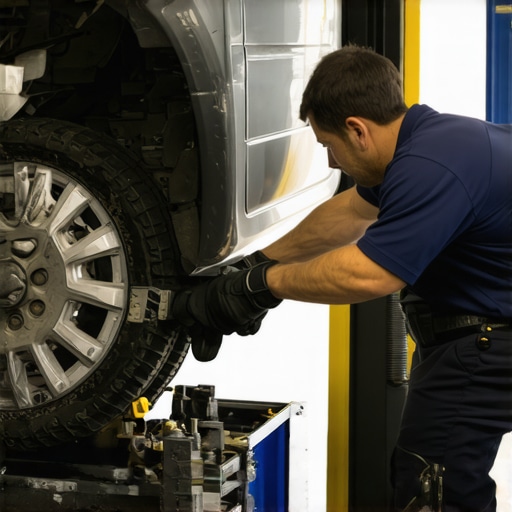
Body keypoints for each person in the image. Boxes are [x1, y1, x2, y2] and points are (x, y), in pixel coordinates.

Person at [171, 45, 512, 510]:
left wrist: (262, 286)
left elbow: (370, 274)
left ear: (357, 130)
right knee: (430, 475)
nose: (332, 162)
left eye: (328, 145)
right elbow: (351, 212)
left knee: (434, 486)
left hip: (488, 343)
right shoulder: (429, 141)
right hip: (477, 337)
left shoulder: (432, 166)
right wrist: (252, 266)